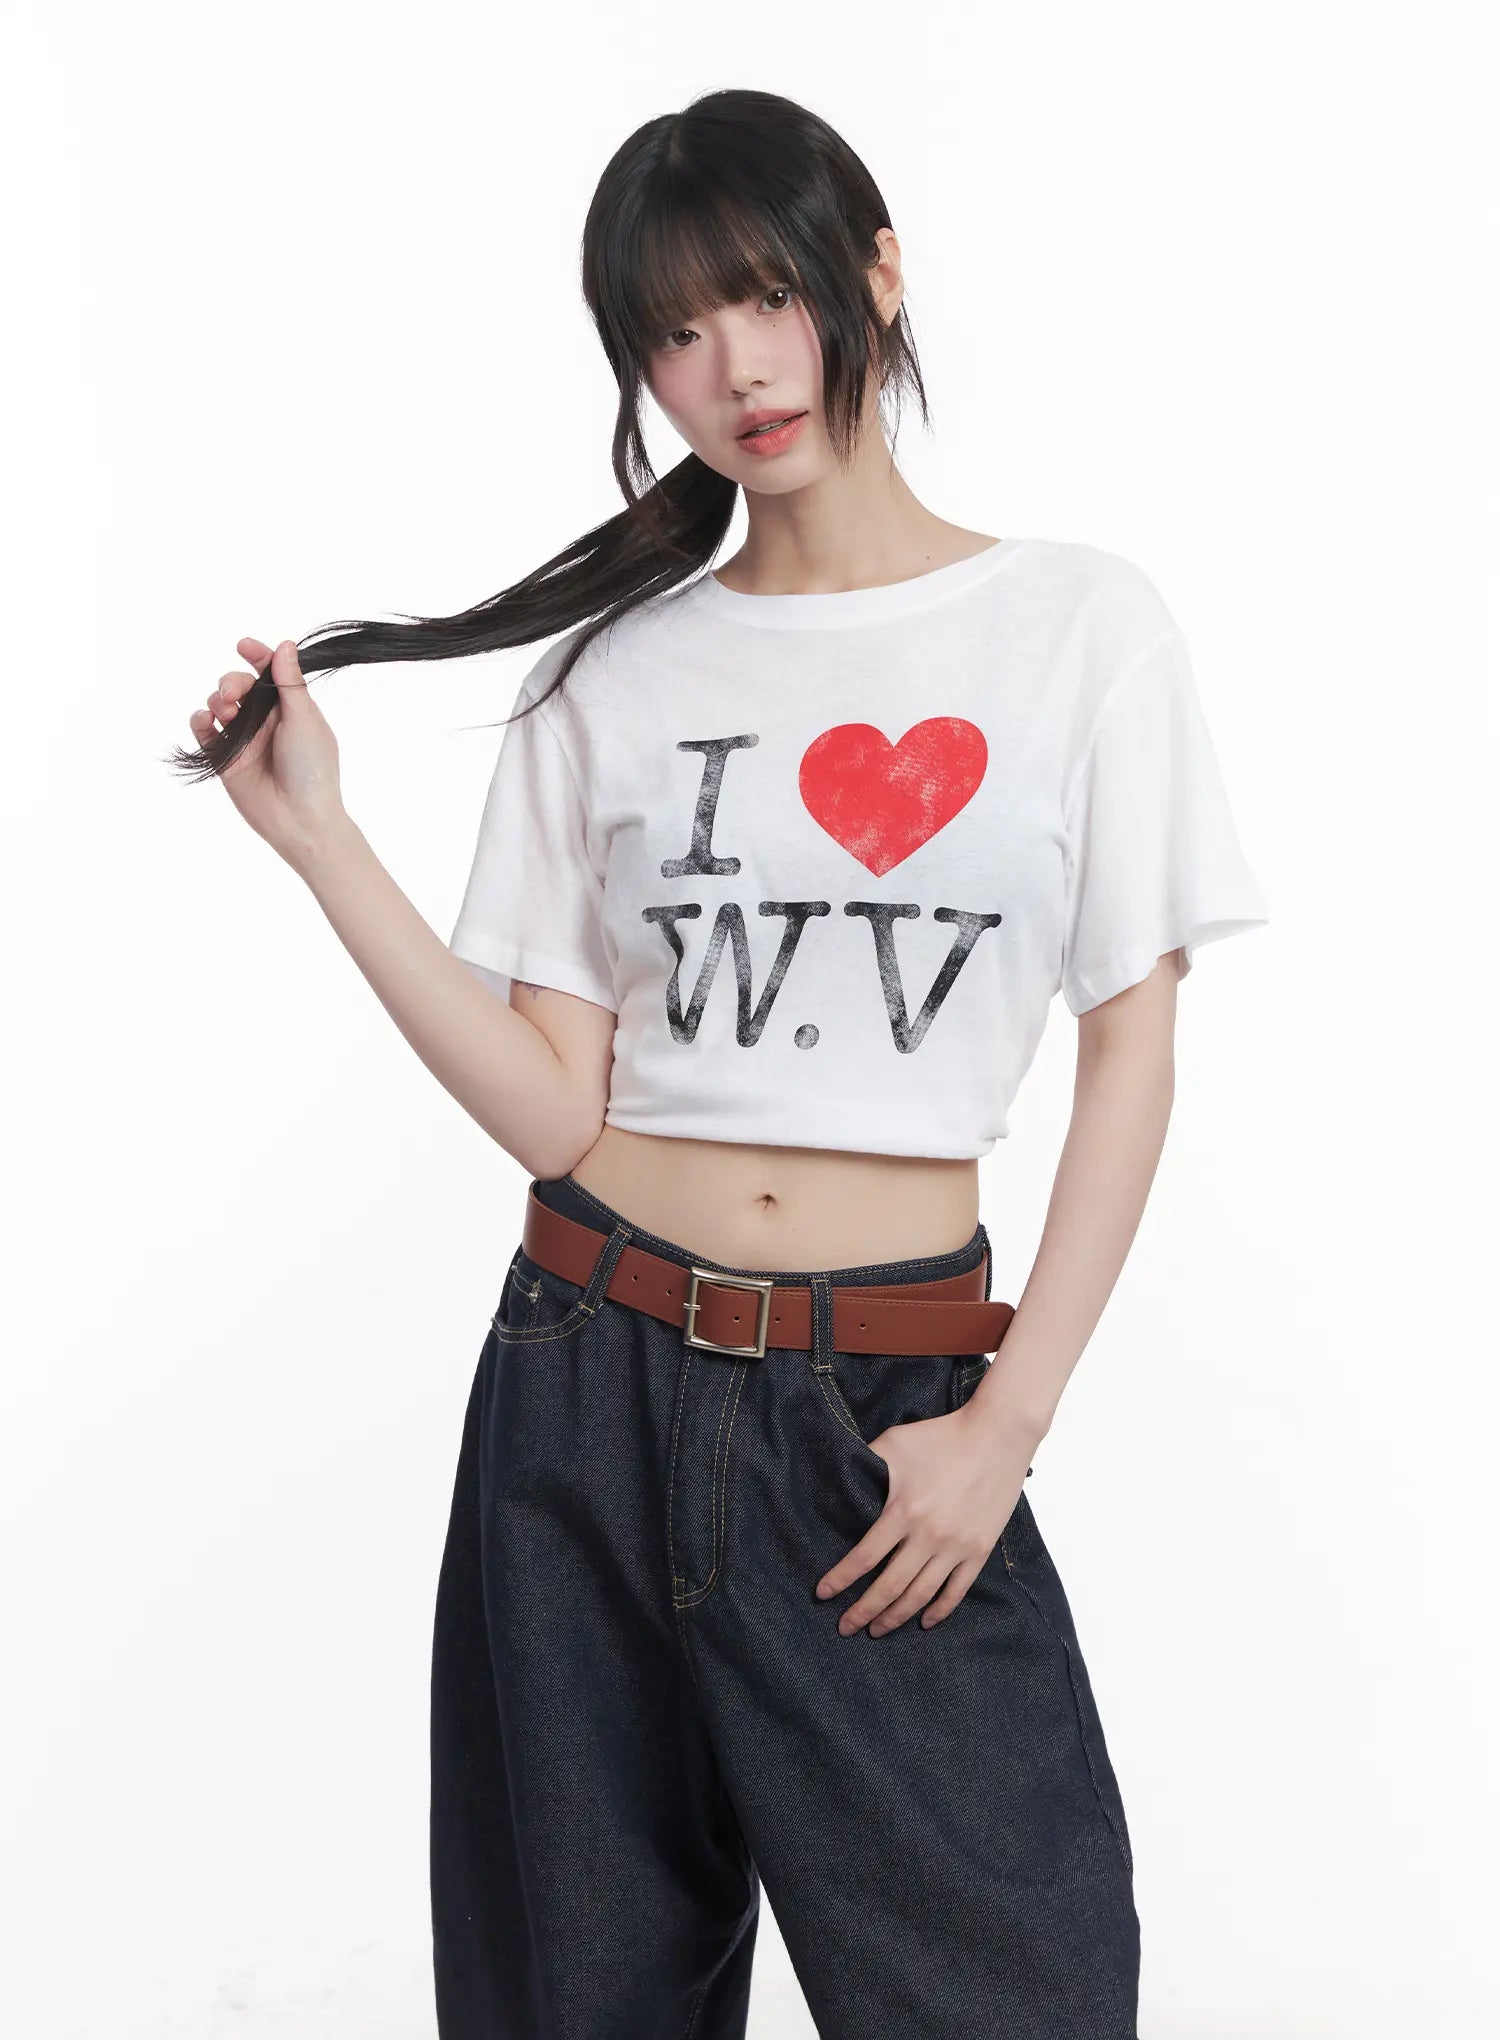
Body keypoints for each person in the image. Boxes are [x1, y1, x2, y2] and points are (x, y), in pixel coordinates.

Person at [174, 87, 1268, 2040]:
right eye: (675, 330)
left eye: (766, 294)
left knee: (1019, 1985)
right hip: (582, 1385)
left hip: (883, 1413)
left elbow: (1134, 1053)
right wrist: (324, 846)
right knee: (573, 2002)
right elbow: (557, 1108)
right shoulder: (609, 670)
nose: (737, 366)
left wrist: (1004, 1427)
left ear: (876, 276)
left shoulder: (1076, 631)